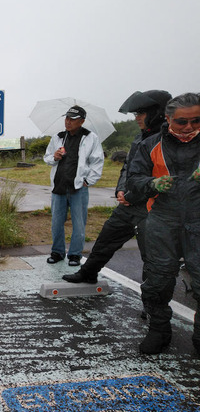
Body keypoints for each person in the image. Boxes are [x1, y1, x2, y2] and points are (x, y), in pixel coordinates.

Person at [63, 90, 171, 284]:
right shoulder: (140, 137)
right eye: (135, 113)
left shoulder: (167, 141)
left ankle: (152, 303)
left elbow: (161, 178)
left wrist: (131, 196)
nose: (137, 118)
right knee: (106, 238)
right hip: (128, 203)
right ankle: (88, 273)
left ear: (157, 113)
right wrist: (120, 190)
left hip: (151, 208)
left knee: (152, 256)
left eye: (141, 113)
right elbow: (128, 167)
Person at [127, 92, 200, 355]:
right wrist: (152, 184)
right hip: (162, 219)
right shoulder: (150, 145)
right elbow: (132, 183)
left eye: (196, 120)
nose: (189, 127)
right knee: (158, 282)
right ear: (168, 119)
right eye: (182, 122)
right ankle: (159, 330)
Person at [43, 106, 105, 266]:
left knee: (79, 223)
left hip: (78, 187)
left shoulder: (90, 137)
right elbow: (47, 157)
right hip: (59, 185)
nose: (68, 122)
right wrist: (54, 157)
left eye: (72, 119)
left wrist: (88, 181)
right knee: (56, 222)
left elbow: (97, 161)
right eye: (67, 118)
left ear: (82, 121)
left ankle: (75, 254)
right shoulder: (58, 137)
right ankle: (57, 252)